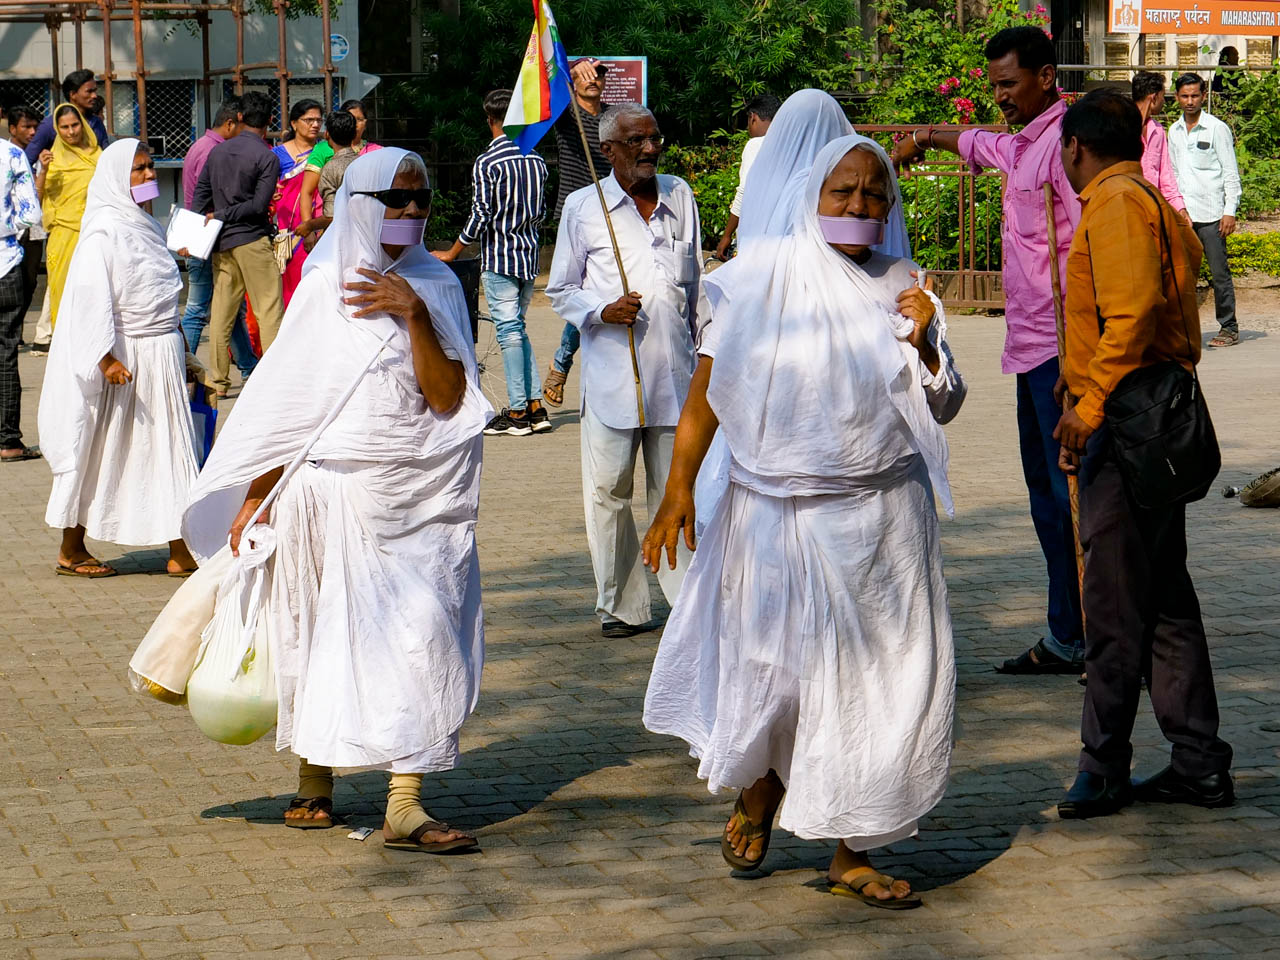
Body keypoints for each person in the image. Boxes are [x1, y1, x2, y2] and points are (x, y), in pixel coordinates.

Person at [643, 134, 964, 908]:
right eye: (842, 193)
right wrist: (679, 488)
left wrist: (926, 346)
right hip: (778, 516)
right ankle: (759, 792)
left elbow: (945, 405)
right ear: (810, 197)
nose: (859, 207)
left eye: (874, 195)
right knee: (778, 678)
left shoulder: (906, 286)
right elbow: (706, 397)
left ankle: (853, 849)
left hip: (886, 520)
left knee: (884, 686)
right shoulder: (755, 281)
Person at [180, 148, 492, 850]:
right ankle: (315, 779)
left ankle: (405, 803)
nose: (411, 213)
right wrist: (255, 497)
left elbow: (448, 399)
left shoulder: (437, 284)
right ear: (360, 203)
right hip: (332, 494)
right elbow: (288, 406)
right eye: (396, 200)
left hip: (421, 499)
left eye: (421, 202)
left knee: (424, 635)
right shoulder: (323, 288)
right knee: (320, 634)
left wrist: (413, 316)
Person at [1052, 91, 1234, 819]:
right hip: (1147, 418)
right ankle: (1197, 762)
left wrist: (1086, 409)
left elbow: (1127, 319)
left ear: (1075, 148)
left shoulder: (1118, 203)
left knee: (1116, 606)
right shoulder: (1150, 199)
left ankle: (1104, 767)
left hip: (1127, 422)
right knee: (1162, 599)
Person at [893, 26, 1085, 676]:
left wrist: (1085, 362)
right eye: (994, 85)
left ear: (1045, 75)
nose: (999, 96)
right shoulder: (1022, 144)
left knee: (1074, 500)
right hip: (1030, 353)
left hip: (1066, 355)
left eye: (1009, 84)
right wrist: (921, 137)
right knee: (1045, 496)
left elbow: (1090, 255)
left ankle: (1095, 637)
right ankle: (1068, 633)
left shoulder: (1065, 147)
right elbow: (974, 141)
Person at [546, 103, 702, 638]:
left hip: (676, 374)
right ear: (609, 149)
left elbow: (696, 286)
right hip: (615, 375)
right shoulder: (583, 206)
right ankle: (622, 606)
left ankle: (688, 604)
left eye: (655, 138)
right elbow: (560, 289)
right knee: (609, 492)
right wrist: (601, 310)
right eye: (636, 141)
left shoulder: (680, 195)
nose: (650, 149)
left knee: (678, 488)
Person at [37, 140, 199, 578]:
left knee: (169, 452)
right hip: (126, 360)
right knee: (99, 452)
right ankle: (71, 549)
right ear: (115, 178)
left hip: (161, 355)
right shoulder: (104, 231)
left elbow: (160, 293)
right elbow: (91, 301)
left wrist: (183, 350)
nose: (149, 176)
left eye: (150, 168)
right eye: (139, 170)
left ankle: (181, 549)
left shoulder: (145, 226)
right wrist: (105, 359)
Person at [435, 89, 550, 437]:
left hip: (500, 255)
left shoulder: (489, 162)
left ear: (490, 120)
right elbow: (541, 211)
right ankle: (534, 405)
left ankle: (517, 412)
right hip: (529, 255)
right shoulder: (537, 160)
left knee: (509, 332)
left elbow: (481, 213)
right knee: (518, 330)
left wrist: (454, 251)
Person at [192, 90, 285, 397]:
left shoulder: (217, 153)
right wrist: (225, 213)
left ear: (240, 117)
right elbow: (259, 206)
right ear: (270, 121)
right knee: (268, 310)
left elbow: (199, 199)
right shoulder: (267, 157)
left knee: (220, 313)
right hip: (252, 240)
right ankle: (273, 380)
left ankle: (218, 382)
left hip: (222, 243)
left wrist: (198, 230)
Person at [542, 57, 612, 409]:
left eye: (598, 76)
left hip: (612, 213)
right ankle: (561, 364)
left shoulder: (614, 117)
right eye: (586, 77)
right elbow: (547, 97)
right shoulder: (567, 116)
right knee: (580, 290)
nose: (593, 81)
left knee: (597, 290)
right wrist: (567, 77)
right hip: (575, 214)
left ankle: (561, 366)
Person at [178, 98, 257, 380]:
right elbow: (210, 196)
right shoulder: (214, 151)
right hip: (204, 236)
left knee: (231, 307)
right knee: (199, 309)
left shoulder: (202, 146)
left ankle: (249, 367)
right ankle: (180, 367)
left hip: (204, 234)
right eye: (242, 128)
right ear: (230, 123)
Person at [1168, 72, 1241, 349]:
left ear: (1204, 96)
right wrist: (1178, 208)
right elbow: (1172, 174)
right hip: (1185, 216)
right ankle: (1183, 331)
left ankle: (1229, 327)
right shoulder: (1173, 132)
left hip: (1212, 215)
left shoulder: (1215, 128)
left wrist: (1229, 210)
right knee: (1182, 276)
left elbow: (1230, 173)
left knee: (1219, 273)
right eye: (1184, 96)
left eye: (1195, 96)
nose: (1190, 101)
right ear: (1177, 97)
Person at [0, 113, 42, 463]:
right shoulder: (11, 156)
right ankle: (8, 441)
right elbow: (30, 214)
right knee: (6, 353)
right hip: (6, 264)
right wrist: (7, 228)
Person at [36, 103, 101, 331]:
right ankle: (64, 357)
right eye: (64, 127)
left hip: (94, 234)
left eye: (75, 125)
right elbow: (36, 198)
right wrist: (43, 171)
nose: (71, 131)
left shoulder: (97, 156)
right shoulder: (51, 160)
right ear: (57, 129)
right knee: (63, 296)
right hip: (63, 237)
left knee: (94, 296)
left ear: (82, 125)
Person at [713, 93, 781, 261]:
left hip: (756, 238)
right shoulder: (791, 143)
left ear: (753, 118)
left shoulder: (755, 145)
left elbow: (744, 192)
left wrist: (727, 235)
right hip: (783, 237)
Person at [272, 99, 326, 306]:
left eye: (318, 120)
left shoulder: (324, 152)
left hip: (320, 225)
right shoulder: (277, 155)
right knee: (289, 288)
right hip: (287, 231)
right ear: (294, 123)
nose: (315, 125)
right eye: (309, 120)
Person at [6, 105, 46, 340]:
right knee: (12, 281)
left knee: (30, 281)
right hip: (11, 231)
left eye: (35, 127)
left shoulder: (41, 156)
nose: (32, 132)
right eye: (26, 127)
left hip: (35, 230)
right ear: (13, 129)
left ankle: (16, 330)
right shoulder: (7, 156)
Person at [292, 110, 360, 241]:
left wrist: (309, 225)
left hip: (343, 237)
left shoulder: (330, 168)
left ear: (327, 134)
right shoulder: (365, 162)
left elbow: (331, 216)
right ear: (354, 135)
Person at [23, 69, 108, 167]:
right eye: (89, 91)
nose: (94, 96)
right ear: (73, 95)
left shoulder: (96, 123)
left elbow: (106, 157)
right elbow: (27, 162)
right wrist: (39, 179)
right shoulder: (50, 125)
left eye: (95, 91)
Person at [1129, 71, 1187, 215]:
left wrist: (1180, 208)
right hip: (1128, 209)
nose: (1164, 101)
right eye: (1162, 96)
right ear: (1154, 98)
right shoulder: (1121, 127)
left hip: (1152, 210)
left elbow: (1166, 175)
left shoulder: (1158, 131)